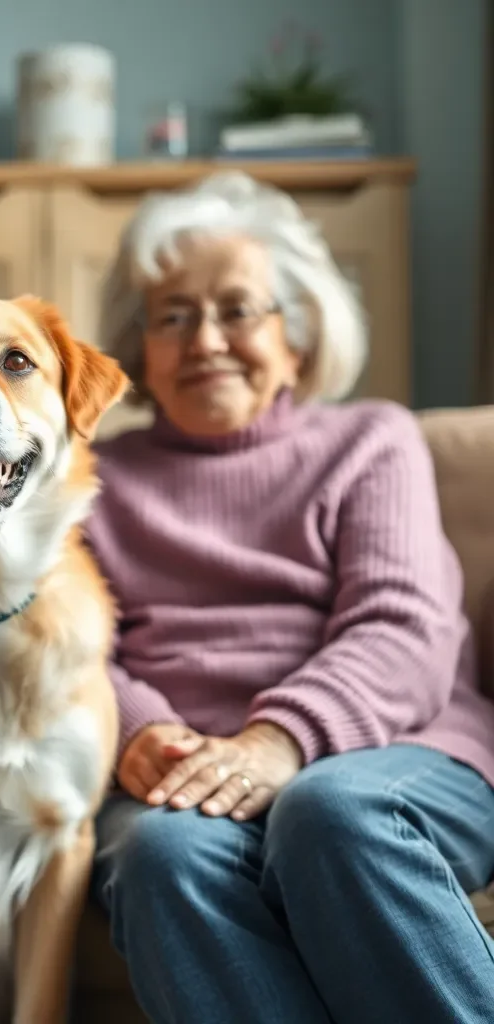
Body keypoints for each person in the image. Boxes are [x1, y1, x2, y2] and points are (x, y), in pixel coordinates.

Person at [85, 170, 494, 1024]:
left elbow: (406, 626)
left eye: (238, 310)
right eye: (173, 316)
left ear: (298, 338)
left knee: (328, 808)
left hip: (395, 746)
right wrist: (141, 733)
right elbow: (66, 649)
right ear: (139, 348)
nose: (205, 340)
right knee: (161, 853)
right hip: (179, 774)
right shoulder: (94, 481)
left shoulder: (370, 440)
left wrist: (279, 742)